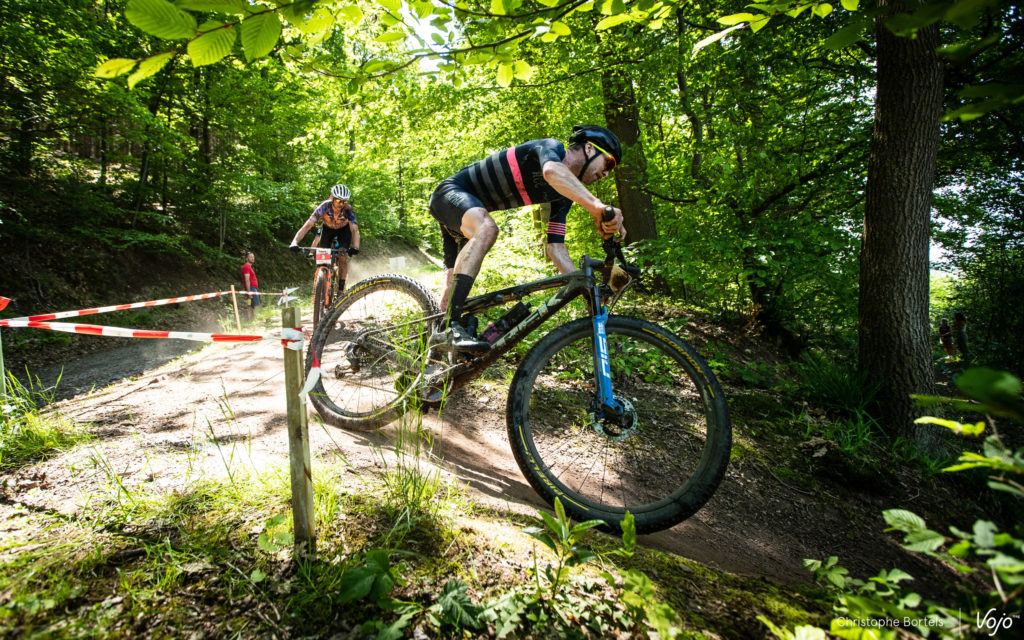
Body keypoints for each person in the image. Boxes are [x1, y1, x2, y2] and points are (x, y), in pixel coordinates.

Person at [429, 125, 626, 351]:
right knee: (488, 229)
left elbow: (555, 248)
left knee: (450, 295)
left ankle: (429, 356)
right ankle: (449, 328)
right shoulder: (551, 147)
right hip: (449, 194)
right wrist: (598, 207)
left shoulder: (563, 197)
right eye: (609, 163)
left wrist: (585, 290)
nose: (607, 173)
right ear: (589, 148)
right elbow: (552, 172)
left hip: (464, 214)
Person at [289, 184, 361, 293]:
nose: (341, 204)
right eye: (338, 201)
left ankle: (341, 288)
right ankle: (322, 279)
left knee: (342, 256)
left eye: (344, 201)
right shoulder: (323, 207)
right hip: (328, 230)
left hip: (343, 231)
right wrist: (294, 242)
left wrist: (355, 247)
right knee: (323, 258)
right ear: (332, 198)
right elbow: (307, 226)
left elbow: (354, 229)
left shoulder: (348, 209)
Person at [241, 251, 260, 321]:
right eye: (251, 257)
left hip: (252, 289)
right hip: (251, 289)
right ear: (246, 258)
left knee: (250, 306)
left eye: (253, 257)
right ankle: (257, 320)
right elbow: (247, 280)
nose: (253, 258)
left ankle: (251, 321)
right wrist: (249, 292)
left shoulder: (249, 267)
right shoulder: (246, 267)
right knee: (256, 305)